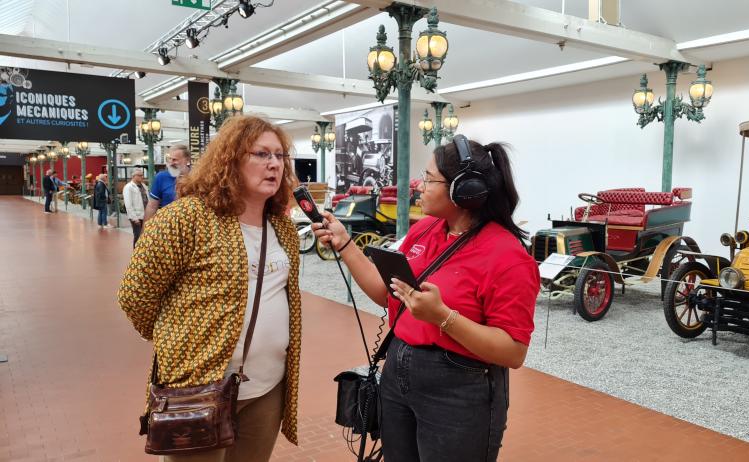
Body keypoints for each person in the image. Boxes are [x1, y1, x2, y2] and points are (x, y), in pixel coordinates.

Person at [312, 136, 540, 461]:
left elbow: (513, 352)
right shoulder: (426, 229)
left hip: (459, 388)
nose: (419, 184)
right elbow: (384, 294)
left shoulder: (508, 257)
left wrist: (444, 317)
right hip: (398, 374)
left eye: (430, 178)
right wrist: (345, 243)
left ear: (465, 192)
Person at [117, 115, 303, 461]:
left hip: (267, 387)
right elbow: (134, 294)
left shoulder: (282, 228)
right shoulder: (186, 218)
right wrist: (174, 339)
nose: (274, 164)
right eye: (261, 154)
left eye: (280, 156)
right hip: (198, 389)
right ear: (230, 159)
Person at [143, 144, 191, 221]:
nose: (171, 163)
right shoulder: (161, 177)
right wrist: (145, 230)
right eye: (170, 159)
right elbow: (152, 206)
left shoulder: (197, 177)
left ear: (187, 160)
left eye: (175, 160)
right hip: (168, 226)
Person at [123, 170, 148, 247]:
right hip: (137, 216)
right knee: (138, 236)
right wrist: (134, 218)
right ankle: (136, 255)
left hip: (146, 215)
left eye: (142, 175)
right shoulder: (128, 187)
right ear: (133, 176)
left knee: (145, 236)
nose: (142, 177)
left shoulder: (143, 186)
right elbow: (128, 204)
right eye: (139, 175)